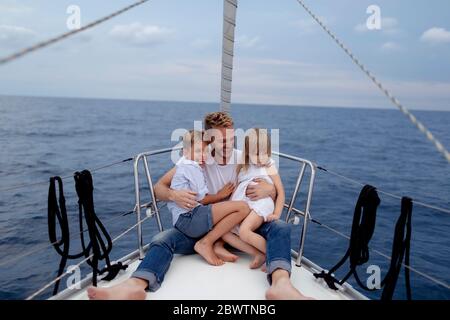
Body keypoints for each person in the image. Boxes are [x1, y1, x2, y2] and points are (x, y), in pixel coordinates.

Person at [88, 111, 309, 300]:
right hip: (204, 228)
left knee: (280, 227)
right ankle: (135, 285)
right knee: (162, 240)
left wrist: (269, 190)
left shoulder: (244, 158)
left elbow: (273, 182)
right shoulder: (198, 160)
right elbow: (159, 188)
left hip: (241, 229)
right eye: (222, 140)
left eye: (231, 138)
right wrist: (174, 194)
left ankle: (281, 285)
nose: (228, 144)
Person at [166, 129, 250, 266]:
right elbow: (201, 199)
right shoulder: (191, 167)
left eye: (205, 151)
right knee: (243, 207)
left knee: (229, 213)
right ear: (186, 152)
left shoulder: (184, 163)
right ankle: (206, 243)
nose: (203, 155)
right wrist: (220, 195)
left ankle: (216, 245)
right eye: (199, 151)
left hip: (182, 219)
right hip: (189, 218)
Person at [219, 128, 285, 270]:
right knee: (224, 231)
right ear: (248, 153)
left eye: (265, 153)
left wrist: (277, 214)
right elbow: (238, 188)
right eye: (256, 153)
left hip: (261, 204)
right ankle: (257, 254)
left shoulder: (269, 166)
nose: (261, 157)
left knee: (244, 231)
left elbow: (281, 192)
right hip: (244, 205)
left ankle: (271, 255)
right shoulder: (243, 167)